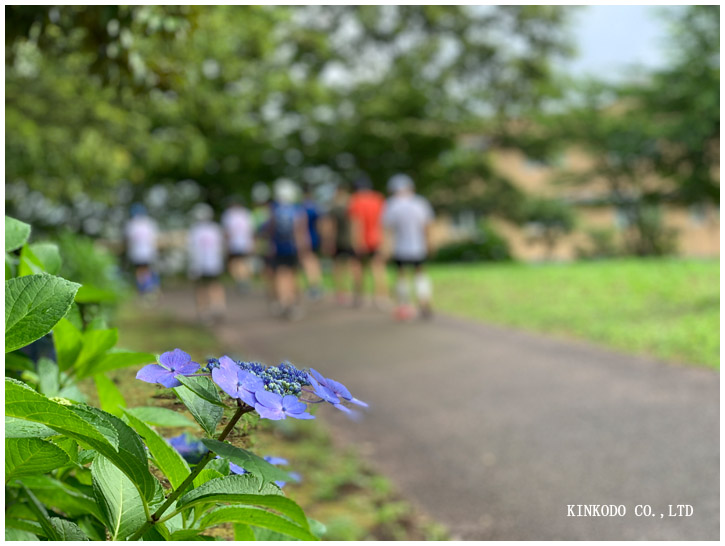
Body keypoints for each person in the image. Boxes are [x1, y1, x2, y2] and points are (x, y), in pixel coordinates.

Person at [382, 174, 435, 320]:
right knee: (420, 274)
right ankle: (424, 303)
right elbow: (427, 226)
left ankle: (404, 306)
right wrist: (430, 244)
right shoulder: (420, 203)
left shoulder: (391, 205)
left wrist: (386, 249)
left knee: (401, 276)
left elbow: (388, 230)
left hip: (400, 248)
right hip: (419, 247)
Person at [268, 179, 309, 320]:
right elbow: (300, 232)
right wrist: (303, 249)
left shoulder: (274, 209)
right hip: (292, 249)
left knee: (280, 275)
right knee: (293, 276)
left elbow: (270, 230)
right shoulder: (297, 210)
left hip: (278, 249)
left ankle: (283, 301)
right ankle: (292, 303)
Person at [348, 173, 388, 307]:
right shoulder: (379, 199)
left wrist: (356, 241)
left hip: (361, 239)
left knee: (358, 268)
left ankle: (359, 297)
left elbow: (356, 222)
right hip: (377, 238)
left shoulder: (355, 200)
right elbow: (384, 221)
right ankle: (380, 297)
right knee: (378, 268)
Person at [188, 203, 226, 324]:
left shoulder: (195, 231)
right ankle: (218, 306)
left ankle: (204, 310)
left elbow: (192, 250)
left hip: (200, 264)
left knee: (201, 287)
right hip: (213, 263)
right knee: (214, 284)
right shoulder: (215, 229)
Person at [321, 182, 355, 305]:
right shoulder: (351, 204)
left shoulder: (334, 207)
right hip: (351, 240)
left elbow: (330, 226)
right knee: (351, 266)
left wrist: (327, 242)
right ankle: (352, 292)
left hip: (339, 241)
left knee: (338, 267)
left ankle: (341, 292)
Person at [124, 203, 159, 296]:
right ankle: (149, 289)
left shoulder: (131, 224)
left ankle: (142, 290)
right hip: (148, 252)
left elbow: (128, 240)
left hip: (137, 253)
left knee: (139, 271)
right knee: (147, 270)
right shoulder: (149, 223)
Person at [221, 196, 254, 293]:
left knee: (234, 263)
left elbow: (227, 232)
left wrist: (226, 244)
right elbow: (251, 230)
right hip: (245, 243)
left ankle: (241, 280)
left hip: (234, 243)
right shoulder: (247, 213)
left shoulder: (228, 214)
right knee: (243, 262)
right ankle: (244, 279)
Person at [300, 184, 324, 301]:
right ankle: (317, 285)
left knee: (308, 262)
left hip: (305, 238)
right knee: (314, 261)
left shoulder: (302, 207)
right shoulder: (315, 207)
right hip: (315, 238)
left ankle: (314, 287)